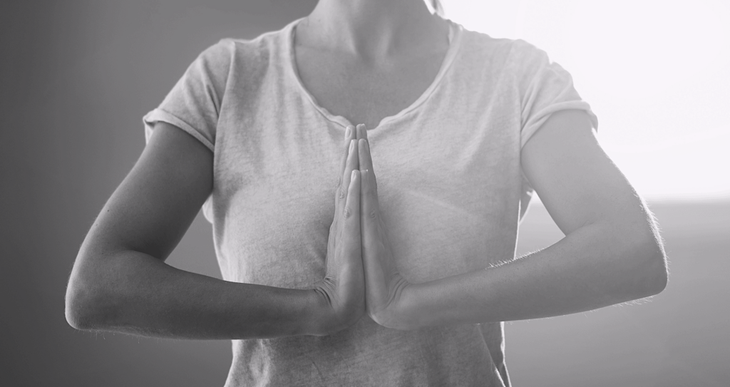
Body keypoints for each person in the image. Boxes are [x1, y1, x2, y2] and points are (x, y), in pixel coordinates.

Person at [64, 0, 668, 385]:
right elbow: (98, 287)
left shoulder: (514, 75)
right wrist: (317, 308)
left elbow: (630, 251)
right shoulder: (229, 78)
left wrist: (409, 302)